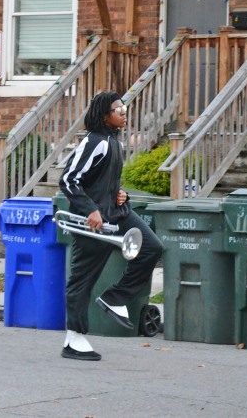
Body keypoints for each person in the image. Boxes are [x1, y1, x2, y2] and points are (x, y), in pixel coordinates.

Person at [59, 91, 163, 361]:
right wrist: (91, 209)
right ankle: (74, 339)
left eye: (124, 108)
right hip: (93, 220)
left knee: (152, 248)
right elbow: (69, 180)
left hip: (116, 213)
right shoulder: (95, 142)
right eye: (119, 110)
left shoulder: (114, 142)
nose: (124, 113)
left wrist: (120, 194)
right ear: (104, 116)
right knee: (82, 280)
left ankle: (115, 297)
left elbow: (101, 181)